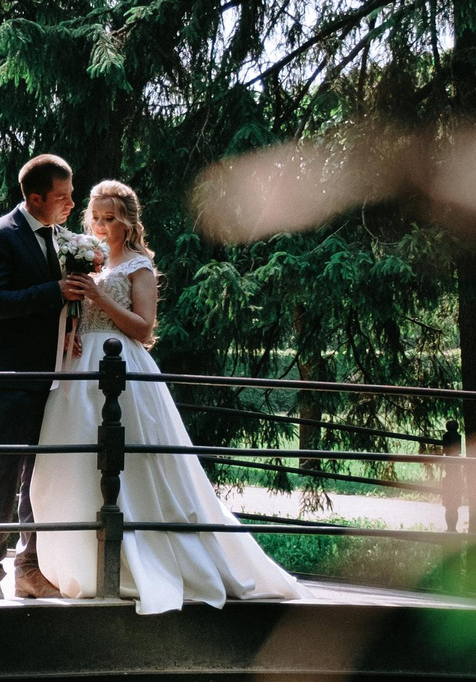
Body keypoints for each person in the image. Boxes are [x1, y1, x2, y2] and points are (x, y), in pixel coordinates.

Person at [34, 179, 303, 612]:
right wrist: (74, 334)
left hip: (125, 369)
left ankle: (146, 561)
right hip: (82, 371)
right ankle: (84, 563)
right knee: (75, 465)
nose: (101, 227)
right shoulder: (89, 261)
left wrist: (100, 297)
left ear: (127, 222)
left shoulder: (138, 266)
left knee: (136, 466)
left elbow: (143, 329)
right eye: (96, 218)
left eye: (110, 219)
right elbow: (77, 316)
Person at [0, 154, 92, 600]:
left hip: (58, 374)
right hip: (13, 372)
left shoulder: (65, 239)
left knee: (40, 476)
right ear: (35, 197)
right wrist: (54, 292)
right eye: (62, 196)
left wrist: (74, 323)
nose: (71, 202)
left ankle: (30, 567)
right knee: (3, 470)